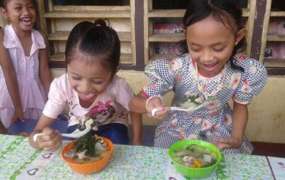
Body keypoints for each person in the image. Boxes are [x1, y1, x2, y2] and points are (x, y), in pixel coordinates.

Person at [129, 0, 267, 153]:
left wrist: (236, 138)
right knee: (170, 164)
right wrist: (148, 104)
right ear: (186, 36)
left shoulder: (242, 71)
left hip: (219, 129)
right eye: (196, 48)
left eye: (218, 48)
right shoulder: (177, 68)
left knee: (226, 165)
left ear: (237, 37)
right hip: (177, 130)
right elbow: (134, 103)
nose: (207, 58)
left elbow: (240, 107)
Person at [29, 19, 143, 150]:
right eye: (76, 77)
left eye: (97, 81)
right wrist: (39, 139)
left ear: (113, 73)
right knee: (78, 148)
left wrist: (137, 141)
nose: (85, 88)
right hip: (79, 124)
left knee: (117, 145)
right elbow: (37, 131)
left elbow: (135, 109)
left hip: (113, 124)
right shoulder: (61, 86)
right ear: (66, 65)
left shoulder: (118, 85)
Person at [0, 0, 52, 132]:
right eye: (18, 8)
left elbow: (44, 72)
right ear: (5, 13)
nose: (26, 12)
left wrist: (52, 100)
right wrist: (17, 107)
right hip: (10, 98)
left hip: (36, 95)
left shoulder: (39, 37)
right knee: (13, 134)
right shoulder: (3, 36)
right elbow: (8, 72)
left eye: (30, 7)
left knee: (35, 134)